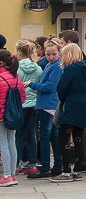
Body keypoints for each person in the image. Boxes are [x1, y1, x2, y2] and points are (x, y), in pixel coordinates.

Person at [52, 43, 86, 182]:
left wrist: (63, 100)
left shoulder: (70, 69)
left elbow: (61, 88)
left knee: (63, 138)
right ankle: (77, 169)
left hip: (71, 106)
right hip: (84, 105)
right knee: (79, 138)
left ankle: (66, 171)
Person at [27, 39, 63, 179]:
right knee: (52, 134)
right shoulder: (50, 65)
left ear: (59, 52)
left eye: (53, 53)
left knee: (45, 135)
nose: (50, 56)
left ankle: (46, 166)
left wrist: (32, 84)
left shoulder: (56, 66)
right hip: (47, 103)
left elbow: (48, 86)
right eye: (48, 54)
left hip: (49, 104)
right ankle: (57, 164)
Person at [14, 40, 41, 175]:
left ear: (19, 52)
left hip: (21, 104)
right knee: (32, 134)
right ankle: (32, 163)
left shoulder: (17, 68)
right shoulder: (37, 67)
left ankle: (17, 163)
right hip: (34, 104)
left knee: (19, 135)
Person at [0, 49, 27, 187]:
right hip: (15, 114)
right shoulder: (16, 76)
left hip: (1, 115)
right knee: (11, 142)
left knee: (3, 143)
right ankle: (12, 174)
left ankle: (6, 175)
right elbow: (22, 97)